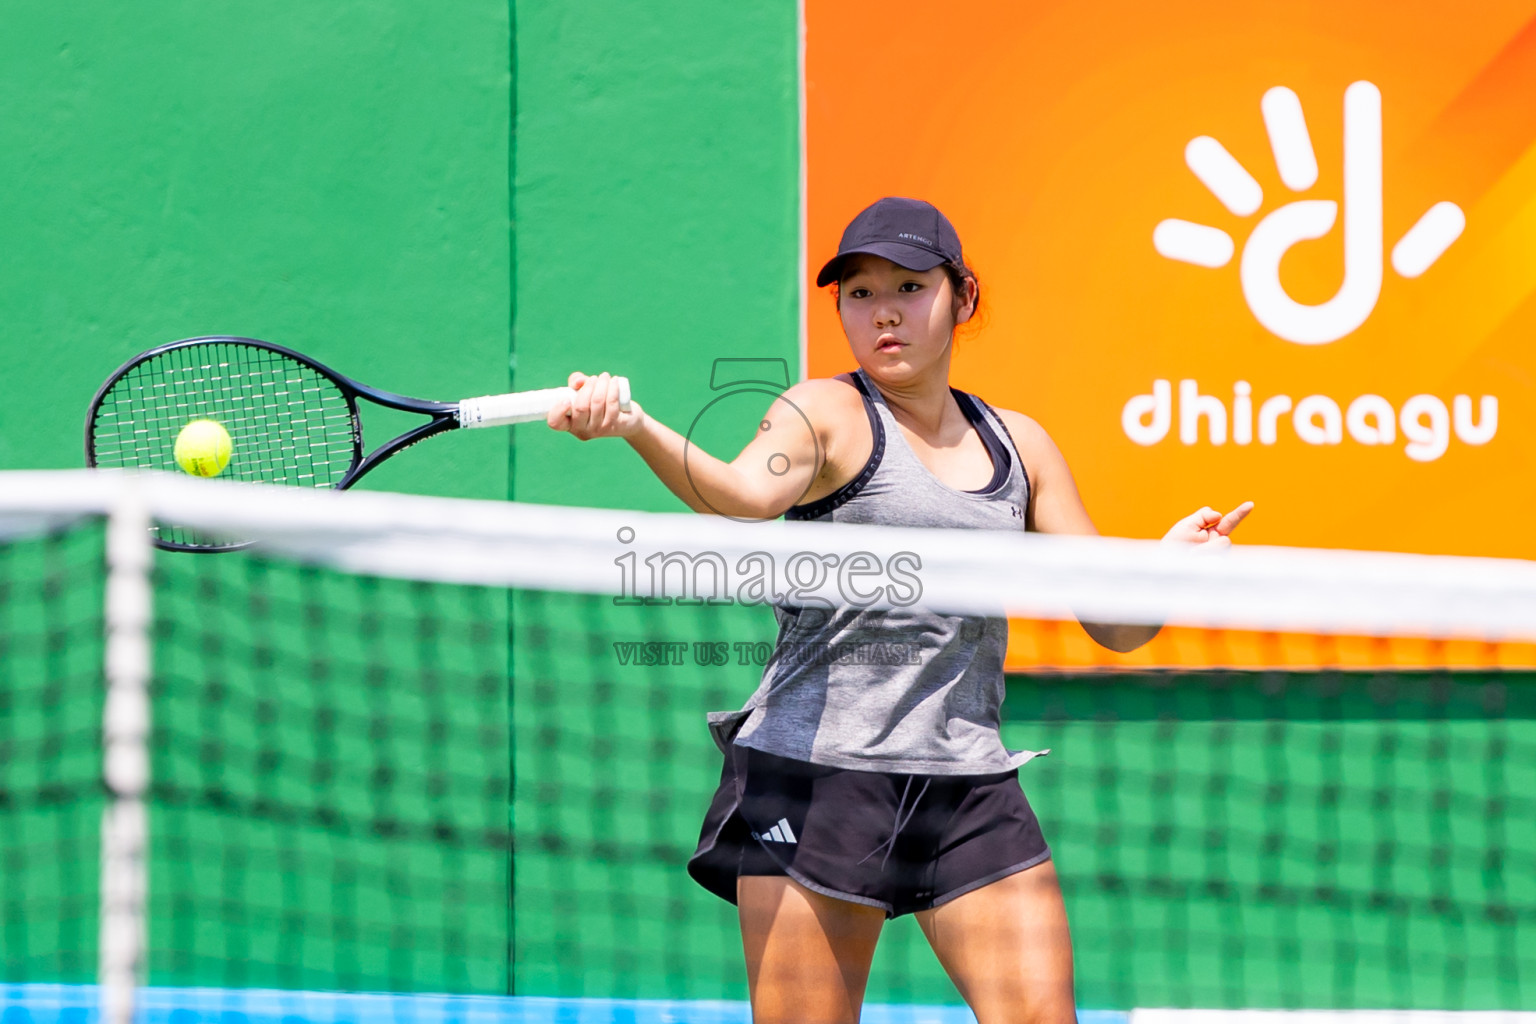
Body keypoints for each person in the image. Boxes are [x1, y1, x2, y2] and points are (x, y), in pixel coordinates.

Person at [547, 196, 1251, 1024]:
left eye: (910, 287)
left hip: (968, 783)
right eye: (858, 293)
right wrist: (635, 424)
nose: (883, 311)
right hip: (818, 782)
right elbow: (739, 493)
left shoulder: (1020, 446)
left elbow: (1116, 624)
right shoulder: (821, 415)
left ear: (962, 297)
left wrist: (1168, 573)